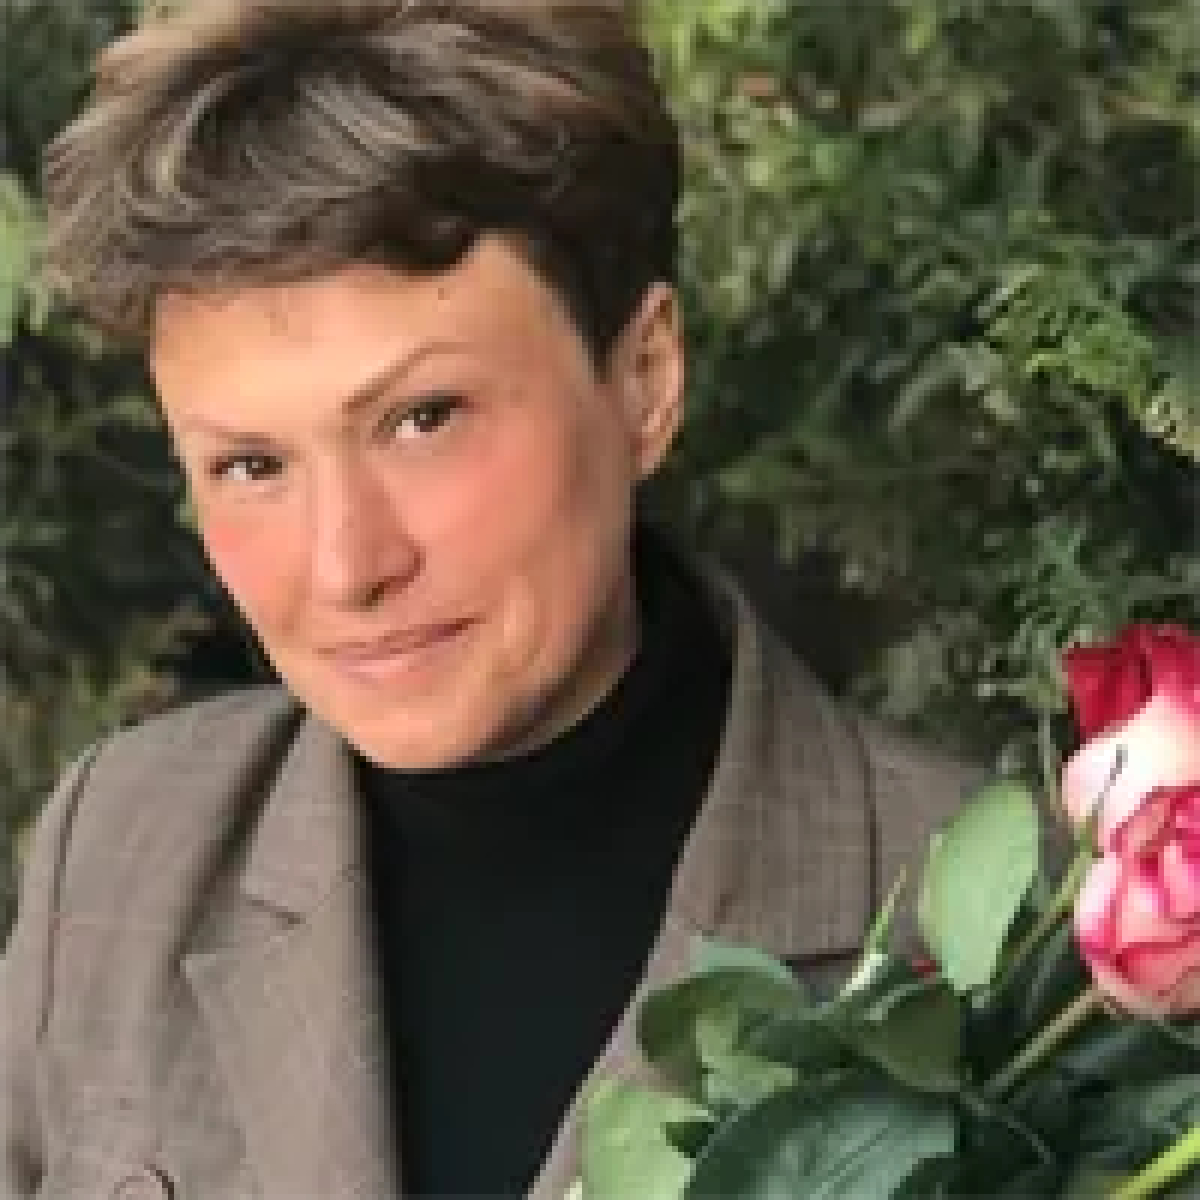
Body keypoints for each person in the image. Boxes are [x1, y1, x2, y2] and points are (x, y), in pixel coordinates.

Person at [2, 2, 977, 1196]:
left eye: (424, 419)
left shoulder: (1000, 936)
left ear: (644, 378)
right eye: (251, 466)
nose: (346, 566)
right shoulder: (121, 848)